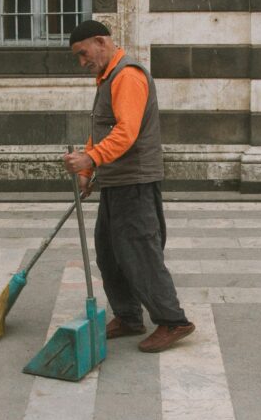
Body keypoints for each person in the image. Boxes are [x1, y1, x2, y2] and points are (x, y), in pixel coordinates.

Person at [62, 20, 194, 353]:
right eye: (77, 57)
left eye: (83, 54)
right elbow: (104, 130)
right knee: (109, 253)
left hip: (134, 181)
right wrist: (89, 169)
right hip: (116, 181)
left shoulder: (128, 77)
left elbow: (126, 133)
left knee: (140, 254)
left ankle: (173, 321)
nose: (82, 62)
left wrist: (91, 159)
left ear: (100, 41)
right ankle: (129, 316)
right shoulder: (108, 78)